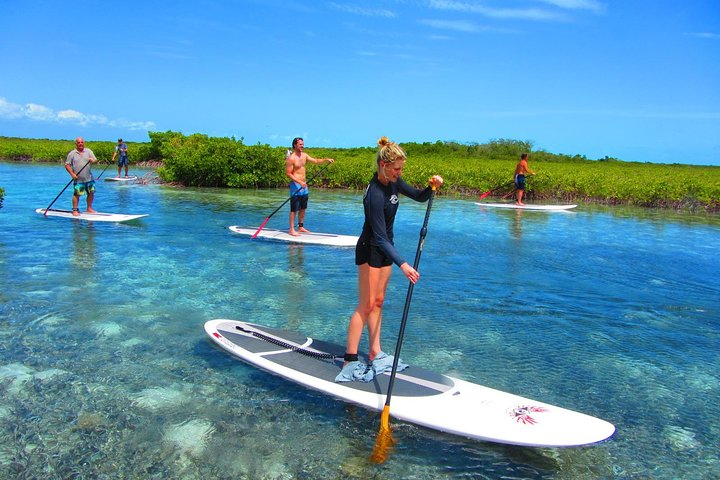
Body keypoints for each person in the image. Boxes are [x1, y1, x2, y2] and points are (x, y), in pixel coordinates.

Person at [335, 136, 443, 383]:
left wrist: (431, 187)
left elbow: (419, 196)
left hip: (385, 248)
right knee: (366, 305)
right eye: (396, 169)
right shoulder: (374, 193)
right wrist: (403, 264)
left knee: (379, 301)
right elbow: (380, 237)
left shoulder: (394, 182)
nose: (399, 173)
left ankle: (375, 351)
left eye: (401, 169)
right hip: (370, 249)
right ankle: (350, 359)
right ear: (384, 166)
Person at [285, 137, 334, 236]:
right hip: (296, 186)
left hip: (304, 186)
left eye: (303, 144)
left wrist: (326, 160)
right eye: (300, 144)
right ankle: (291, 229)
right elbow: (289, 174)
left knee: (303, 208)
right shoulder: (291, 158)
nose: (302, 146)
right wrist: (299, 182)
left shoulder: (304, 155)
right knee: (294, 209)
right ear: (295, 145)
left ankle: (300, 226)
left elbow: (315, 161)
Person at [64, 137, 99, 216]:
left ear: (84, 143)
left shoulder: (88, 151)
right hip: (78, 179)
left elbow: (95, 159)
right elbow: (67, 165)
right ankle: (75, 210)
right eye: (78, 142)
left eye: (82, 142)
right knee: (77, 194)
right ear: (76, 144)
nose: (80, 144)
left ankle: (89, 208)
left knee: (91, 193)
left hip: (89, 178)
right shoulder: (72, 153)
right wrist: (72, 174)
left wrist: (92, 160)